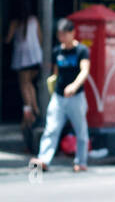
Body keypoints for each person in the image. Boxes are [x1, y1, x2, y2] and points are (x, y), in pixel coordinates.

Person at [29, 18, 91, 173]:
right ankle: (43, 159)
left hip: (76, 97)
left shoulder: (82, 50)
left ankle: (81, 162)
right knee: (51, 128)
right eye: (59, 35)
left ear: (72, 33)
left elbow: (85, 71)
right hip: (58, 96)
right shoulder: (58, 51)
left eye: (64, 34)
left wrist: (74, 86)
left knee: (81, 130)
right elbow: (56, 72)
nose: (61, 38)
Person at [4, 0, 42, 128]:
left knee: (24, 84)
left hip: (23, 58)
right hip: (35, 56)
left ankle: (28, 109)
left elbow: (8, 39)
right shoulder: (34, 20)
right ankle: (35, 107)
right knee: (29, 83)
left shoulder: (15, 22)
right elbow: (40, 38)